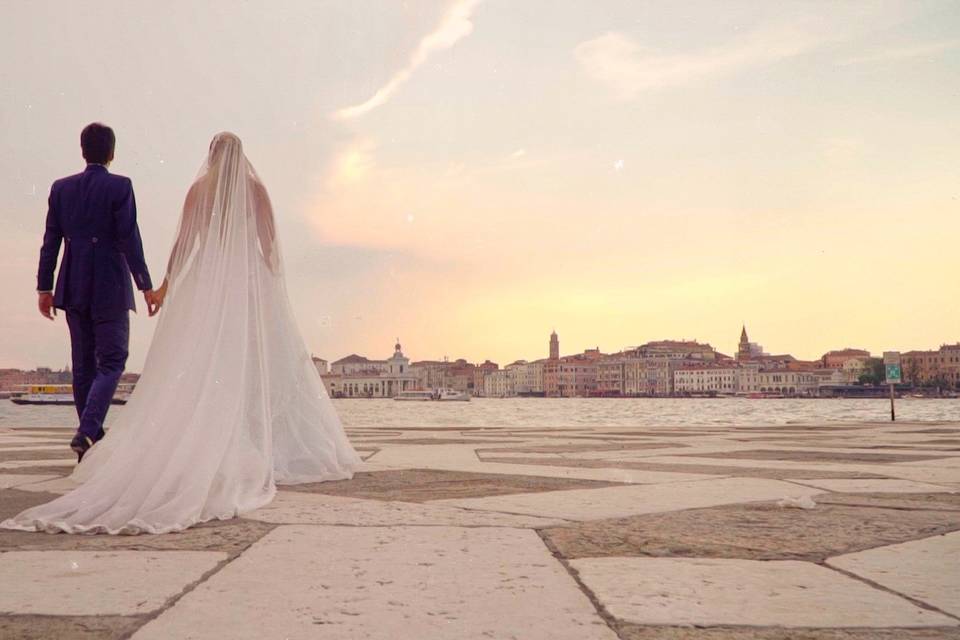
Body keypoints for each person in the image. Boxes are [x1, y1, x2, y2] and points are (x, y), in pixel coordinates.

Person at [2, 132, 361, 534]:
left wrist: (166, 284)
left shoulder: (197, 190)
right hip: (242, 282)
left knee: (187, 360)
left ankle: (92, 432)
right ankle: (241, 438)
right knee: (240, 360)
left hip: (195, 282)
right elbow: (269, 245)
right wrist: (268, 280)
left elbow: (184, 242)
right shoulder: (255, 190)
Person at [34, 122, 159, 462]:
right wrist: (145, 284)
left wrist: (44, 287)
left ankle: (89, 441)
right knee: (114, 360)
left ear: (83, 150)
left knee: (83, 364)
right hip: (110, 285)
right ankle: (88, 431)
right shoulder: (121, 186)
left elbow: (51, 241)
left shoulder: (61, 188)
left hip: (72, 284)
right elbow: (129, 238)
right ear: (112, 153)